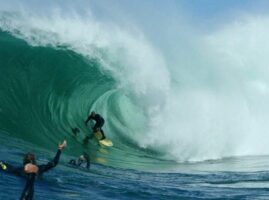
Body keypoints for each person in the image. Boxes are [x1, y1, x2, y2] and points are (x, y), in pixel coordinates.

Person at [0, 140, 67, 200]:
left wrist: (1, 163)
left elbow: (5, 167)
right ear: (34, 161)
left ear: (24, 161)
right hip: (41, 186)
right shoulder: (40, 168)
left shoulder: (19, 170)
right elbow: (54, 163)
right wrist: (59, 149)